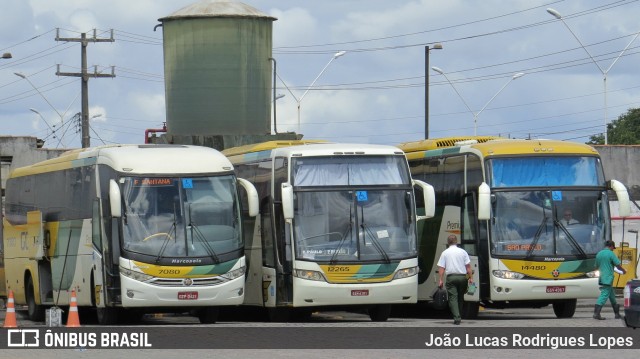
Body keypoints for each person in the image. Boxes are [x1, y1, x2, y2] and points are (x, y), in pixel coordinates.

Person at [437, 235, 473, 325]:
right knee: (460, 297)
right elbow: (468, 267)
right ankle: (459, 315)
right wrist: (471, 278)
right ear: (456, 242)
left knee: (453, 298)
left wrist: (440, 280)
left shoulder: (445, 253)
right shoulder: (463, 252)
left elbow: (441, 268)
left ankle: (457, 317)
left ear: (448, 242)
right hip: (463, 278)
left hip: (451, 278)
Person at [593, 240, 626, 320]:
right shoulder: (611, 254)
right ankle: (596, 313)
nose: (613, 249)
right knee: (604, 295)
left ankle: (617, 314)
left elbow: (596, 267)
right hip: (608, 278)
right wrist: (623, 271)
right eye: (613, 248)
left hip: (602, 277)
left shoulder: (599, 254)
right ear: (611, 246)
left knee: (612, 296)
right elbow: (618, 265)